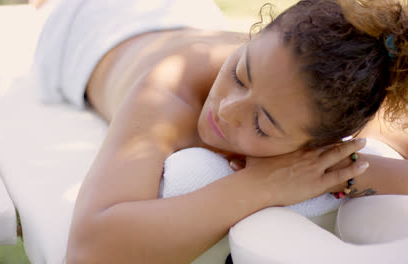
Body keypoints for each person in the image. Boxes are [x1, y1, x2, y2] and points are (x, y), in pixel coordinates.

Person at [33, 0, 408, 263]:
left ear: (319, 145)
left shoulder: (323, 97)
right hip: (83, 26)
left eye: (263, 124)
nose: (226, 111)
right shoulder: (168, 87)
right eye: (238, 75)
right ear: (252, 37)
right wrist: (263, 185)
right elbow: (90, 250)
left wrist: (342, 170)